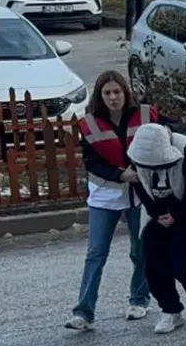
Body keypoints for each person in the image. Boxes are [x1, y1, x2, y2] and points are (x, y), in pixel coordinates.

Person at [66, 71, 157, 331]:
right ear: (100, 96)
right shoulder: (90, 123)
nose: (113, 97)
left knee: (140, 251)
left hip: (139, 196)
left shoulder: (145, 114)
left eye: (117, 92)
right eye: (107, 93)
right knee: (96, 253)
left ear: (125, 92)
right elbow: (91, 163)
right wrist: (120, 174)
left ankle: (139, 300)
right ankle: (84, 312)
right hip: (105, 195)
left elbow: (168, 133)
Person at [127, 124, 186, 334]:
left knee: (183, 260)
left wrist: (177, 213)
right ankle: (170, 310)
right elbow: (139, 184)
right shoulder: (138, 151)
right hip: (157, 211)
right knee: (153, 260)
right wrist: (156, 212)